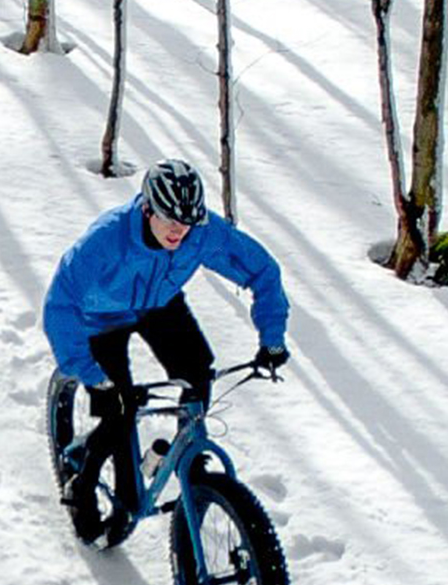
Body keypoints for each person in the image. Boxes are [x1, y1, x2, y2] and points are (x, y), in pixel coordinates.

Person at [41, 159, 289, 530]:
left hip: (159, 304)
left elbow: (262, 271)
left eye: (187, 222)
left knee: (197, 371)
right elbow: (60, 304)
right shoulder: (106, 240)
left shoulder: (200, 233)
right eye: (170, 220)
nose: (179, 231)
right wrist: (90, 374)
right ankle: (83, 478)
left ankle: (191, 458)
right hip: (101, 316)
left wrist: (272, 340)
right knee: (119, 407)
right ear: (147, 209)